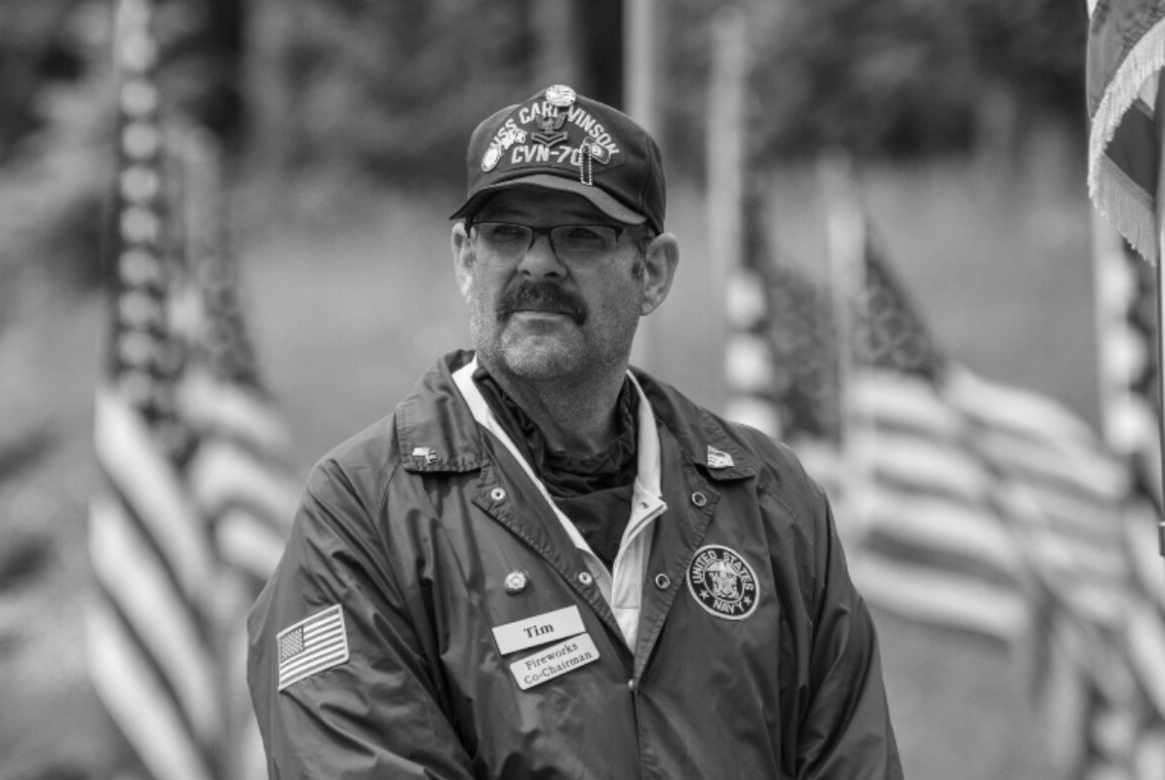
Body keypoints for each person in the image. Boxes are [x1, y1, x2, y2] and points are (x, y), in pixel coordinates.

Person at [247, 84, 903, 779]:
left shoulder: (772, 502)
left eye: (581, 234)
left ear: (652, 273)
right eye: (507, 233)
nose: (537, 263)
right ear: (466, 258)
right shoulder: (362, 513)